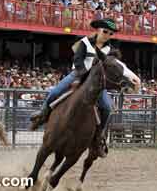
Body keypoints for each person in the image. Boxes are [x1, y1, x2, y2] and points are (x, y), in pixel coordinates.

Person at [30, 18, 118, 158]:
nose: (107, 35)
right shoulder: (84, 42)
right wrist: (84, 74)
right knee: (54, 92)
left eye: (110, 33)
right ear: (98, 30)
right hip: (77, 74)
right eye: (105, 31)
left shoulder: (110, 49)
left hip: (96, 83)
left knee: (107, 107)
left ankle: (99, 136)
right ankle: (42, 114)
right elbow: (77, 60)